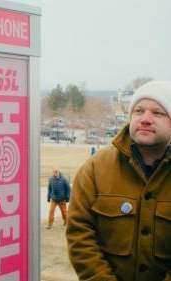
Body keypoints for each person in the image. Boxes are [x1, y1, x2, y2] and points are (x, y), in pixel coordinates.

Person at [67, 81, 171, 281]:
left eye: (158, 113)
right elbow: (79, 233)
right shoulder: (96, 168)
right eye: (139, 111)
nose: (145, 119)